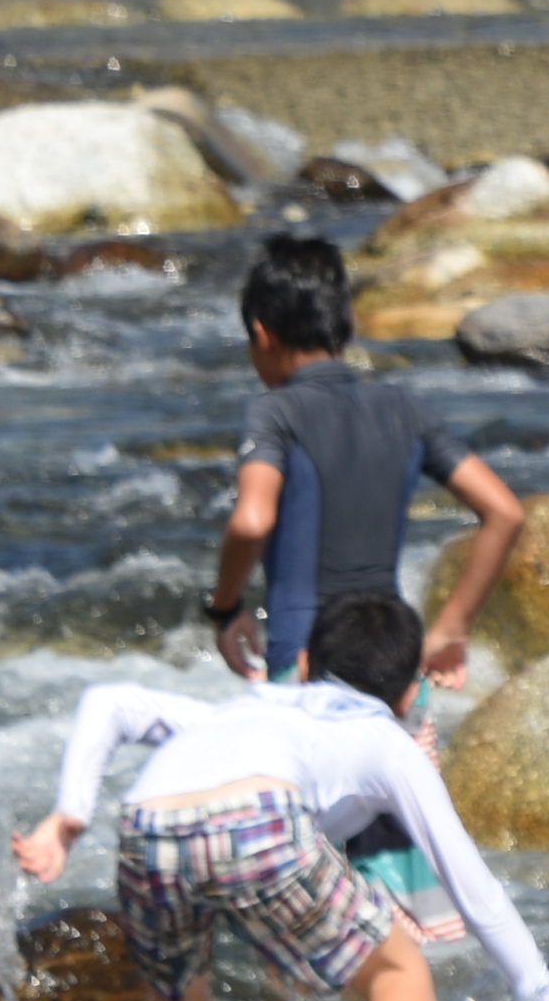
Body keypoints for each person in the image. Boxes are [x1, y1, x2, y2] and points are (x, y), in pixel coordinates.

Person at [12, 591, 549, 1001]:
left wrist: (70, 818)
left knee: (173, 997)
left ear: (304, 664)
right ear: (410, 693)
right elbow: (473, 888)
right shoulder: (384, 738)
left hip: (146, 823)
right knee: (399, 972)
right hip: (260, 818)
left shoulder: (247, 708)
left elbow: (107, 703)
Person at [217, 236, 521, 687]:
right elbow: (506, 513)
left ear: (262, 334)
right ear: (348, 323)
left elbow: (252, 522)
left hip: (308, 669)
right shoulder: (406, 408)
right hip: (393, 669)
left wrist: (224, 607)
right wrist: (453, 627)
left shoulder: (274, 411)